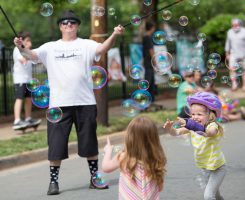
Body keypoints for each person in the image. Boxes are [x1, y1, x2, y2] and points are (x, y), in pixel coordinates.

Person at [14, 10, 125, 195]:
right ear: (60, 26)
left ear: (77, 26)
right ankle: (53, 182)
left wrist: (114, 34)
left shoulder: (86, 44)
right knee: (56, 144)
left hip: (85, 102)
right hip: (58, 104)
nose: (68, 25)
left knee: (89, 142)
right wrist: (20, 47)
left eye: (72, 22)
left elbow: (102, 48)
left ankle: (94, 178)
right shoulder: (50, 47)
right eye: (64, 22)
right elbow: (30, 55)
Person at [164, 92, 226, 200]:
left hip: (218, 168)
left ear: (210, 115)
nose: (195, 117)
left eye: (199, 114)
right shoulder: (192, 126)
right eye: (193, 114)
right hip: (205, 168)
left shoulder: (213, 126)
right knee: (216, 195)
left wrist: (191, 125)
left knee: (208, 196)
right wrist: (170, 129)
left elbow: (209, 133)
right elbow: (176, 133)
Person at [102, 116, 167, 199]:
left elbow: (106, 167)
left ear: (129, 137)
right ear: (154, 138)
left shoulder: (124, 157)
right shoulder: (155, 159)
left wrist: (108, 151)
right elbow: (160, 188)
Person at [12, 31, 41, 131]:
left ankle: (28, 118)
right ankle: (17, 120)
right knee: (19, 98)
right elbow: (23, 60)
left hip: (28, 80)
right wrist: (25, 49)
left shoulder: (27, 50)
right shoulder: (17, 50)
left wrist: (27, 49)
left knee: (28, 99)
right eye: (27, 40)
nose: (30, 42)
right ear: (22, 41)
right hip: (20, 79)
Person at [225, 18, 245, 91]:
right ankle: (234, 85)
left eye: (236, 24)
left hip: (243, 54)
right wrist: (227, 53)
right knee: (232, 69)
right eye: (233, 25)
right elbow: (228, 43)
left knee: (244, 70)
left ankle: (244, 86)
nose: (234, 26)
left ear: (240, 24)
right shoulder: (230, 32)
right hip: (233, 54)